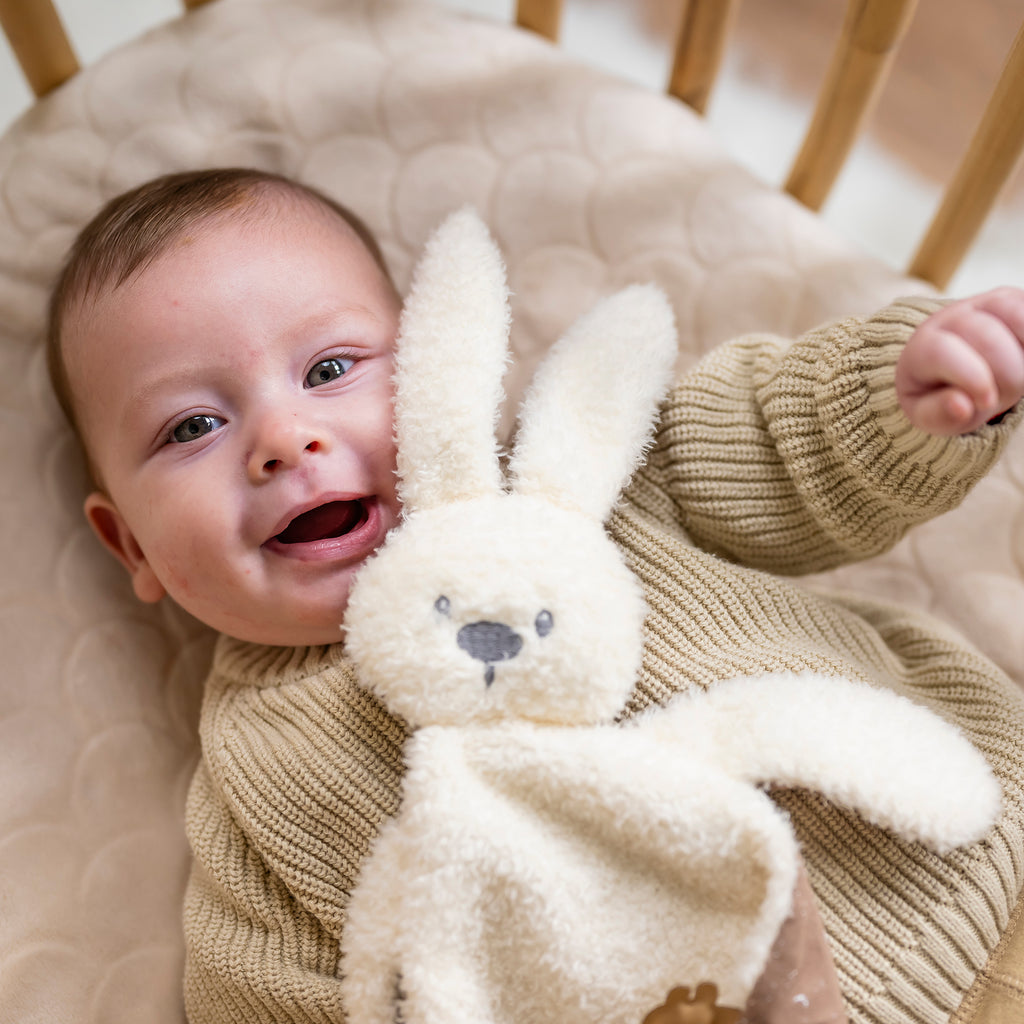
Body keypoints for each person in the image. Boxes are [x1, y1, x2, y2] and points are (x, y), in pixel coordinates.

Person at [47, 167, 1024, 1024]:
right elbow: (267, 994)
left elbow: (773, 445)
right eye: (192, 427)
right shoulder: (258, 780)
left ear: (436, 358)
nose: (281, 438)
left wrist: (892, 396)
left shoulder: (577, 468)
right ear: (130, 542)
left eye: (331, 369)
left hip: (982, 863)